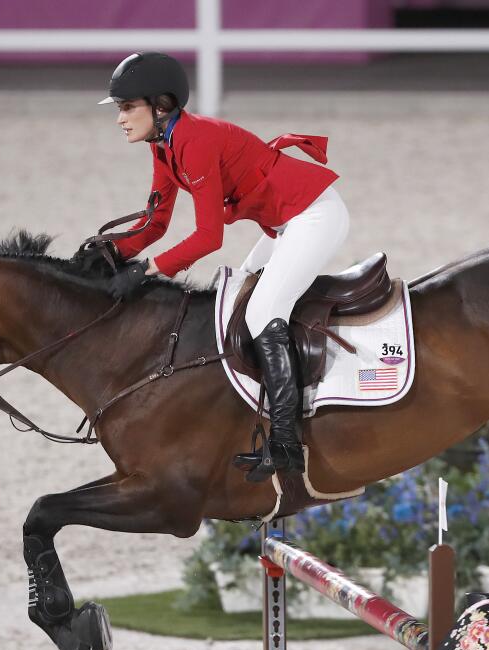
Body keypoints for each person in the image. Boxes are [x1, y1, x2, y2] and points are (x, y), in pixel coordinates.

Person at [97, 52, 350, 482]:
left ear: (160, 106)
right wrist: (112, 253)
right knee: (234, 299)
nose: (119, 118)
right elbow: (155, 223)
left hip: (314, 217)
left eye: (126, 107)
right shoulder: (165, 147)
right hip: (285, 224)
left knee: (261, 311)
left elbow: (208, 237)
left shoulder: (195, 143)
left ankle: (287, 442)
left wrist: (150, 269)